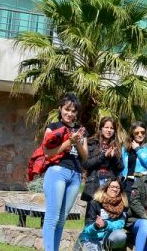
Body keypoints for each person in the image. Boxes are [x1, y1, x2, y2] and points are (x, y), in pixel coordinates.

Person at [42, 93, 88, 251]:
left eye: (73, 111)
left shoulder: (81, 130)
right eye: (67, 109)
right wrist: (69, 141)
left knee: (62, 219)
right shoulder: (53, 127)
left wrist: (78, 142)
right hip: (57, 172)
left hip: (75, 175)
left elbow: (85, 156)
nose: (70, 113)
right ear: (60, 109)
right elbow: (47, 153)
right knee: (52, 217)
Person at [82, 116, 123, 214]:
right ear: (101, 128)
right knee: (91, 213)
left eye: (112, 128)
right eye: (106, 127)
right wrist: (103, 156)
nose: (109, 130)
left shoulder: (116, 145)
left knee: (106, 213)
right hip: (94, 182)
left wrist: (114, 157)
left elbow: (120, 167)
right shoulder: (91, 143)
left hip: (109, 182)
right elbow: (86, 164)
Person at [79, 177, 128, 250]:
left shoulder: (122, 204)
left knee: (121, 235)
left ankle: (107, 248)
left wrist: (106, 224)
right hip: (92, 237)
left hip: (108, 237)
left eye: (117, 187)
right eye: (112, 187)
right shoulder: (94, 203)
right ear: (106, 188)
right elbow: (87, 228)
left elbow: (120, 224)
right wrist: (96, 226)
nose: (115, 189)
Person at [122, 121, 147, 193]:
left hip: (142, 184)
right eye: (136, 133)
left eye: (143, 132)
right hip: (126, 183)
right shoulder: (125, 148)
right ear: (132, 133)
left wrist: (138, 149)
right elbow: (122, 166)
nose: (140, 135)